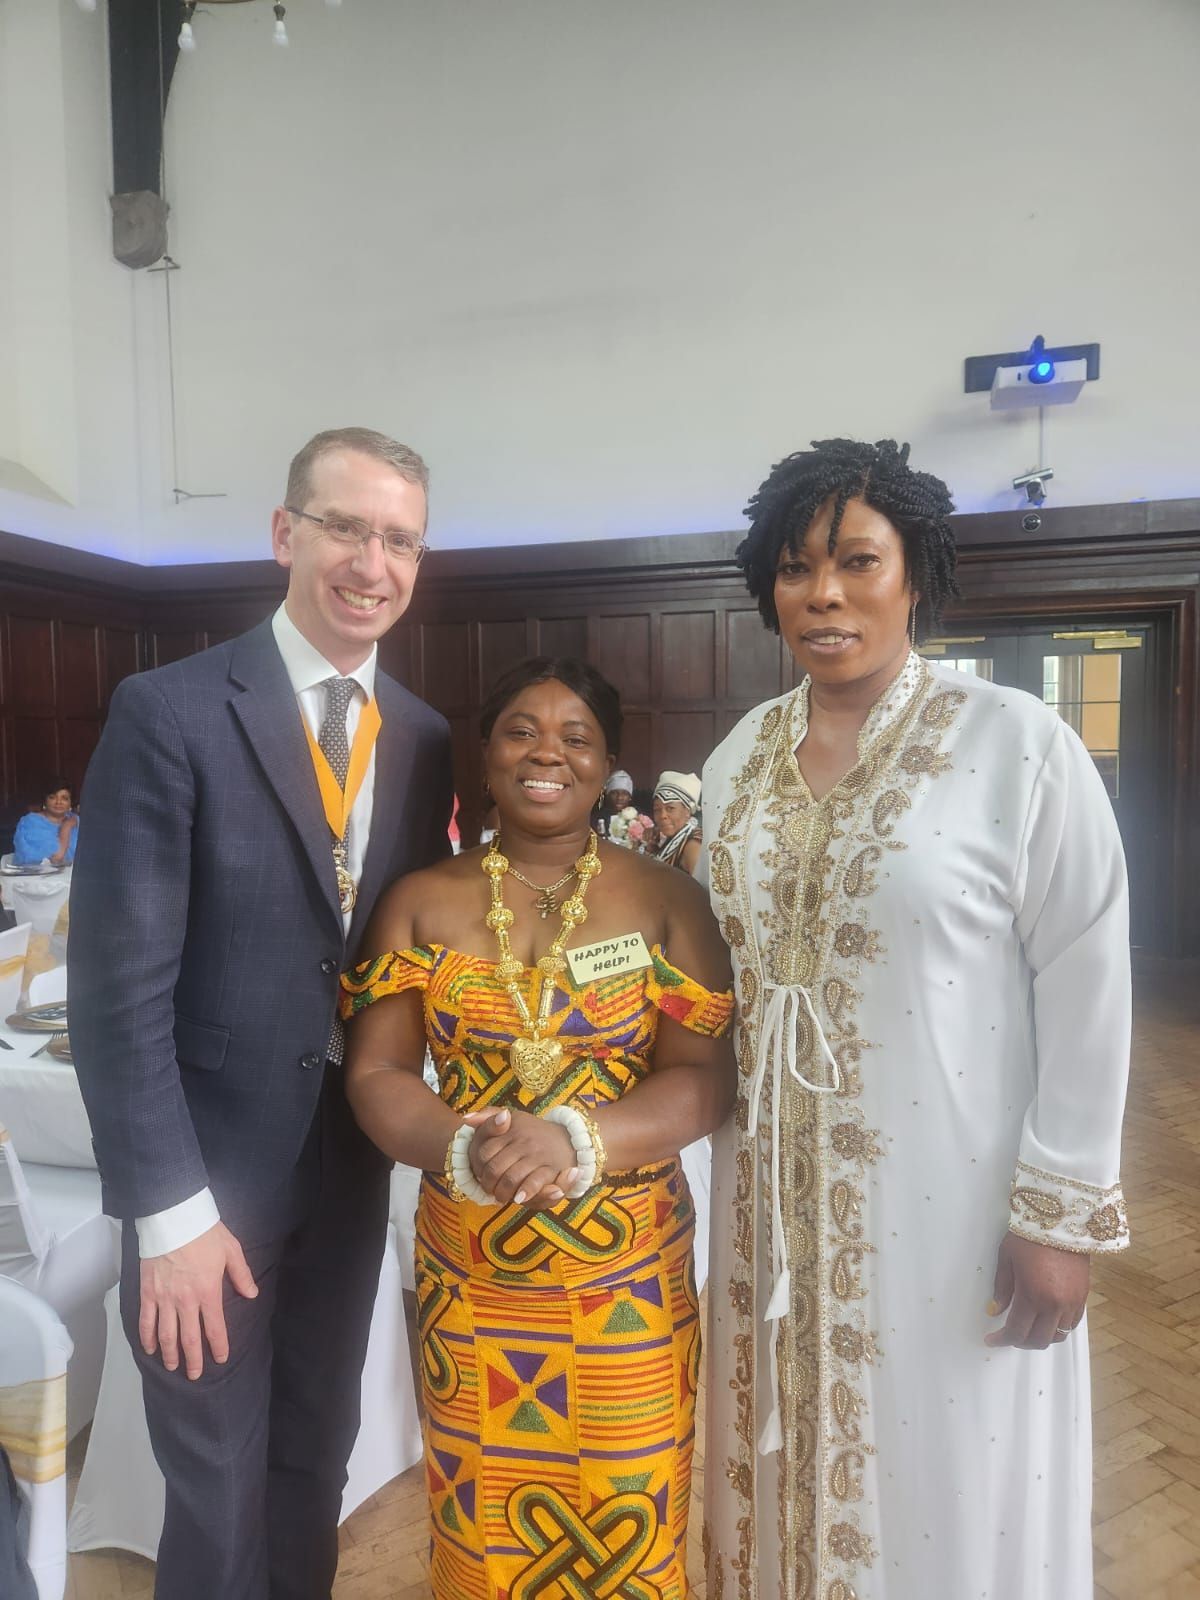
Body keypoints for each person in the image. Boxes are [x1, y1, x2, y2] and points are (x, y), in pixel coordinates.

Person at [700, 438, 1131, 1600]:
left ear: (915, 574)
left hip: (958, 1195)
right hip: (768, 1200)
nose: (824, 593)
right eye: (795, 568)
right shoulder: (739, 759)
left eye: (856, 560)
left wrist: (1060, 1215)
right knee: (770, 1450)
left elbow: (1088, 979)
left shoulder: (1016, 746)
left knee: (955, 1453)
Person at [68, 427, 453, 1600]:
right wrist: (167, 1217)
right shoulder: (170, 709)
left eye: (399, 539)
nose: (371, 561)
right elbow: (114, 992)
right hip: (206, 1195)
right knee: (218, 1488)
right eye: (346, 525)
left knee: (311, 1464)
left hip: (344, 1175)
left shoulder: (427, 739)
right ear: (285, 533)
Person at [339, 656, 736, 1600]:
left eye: (576, 737)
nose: (546, 753)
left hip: (623, 1277)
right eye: (520, 730)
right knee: (479, 1526)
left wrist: (576, 1141)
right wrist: (456, 1145)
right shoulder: (420, 899)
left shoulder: (666, 900)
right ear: (484, 757)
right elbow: (378, 1070)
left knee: (630, 1514)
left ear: (607, 768)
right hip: (471, 1278)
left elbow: (704, 1078)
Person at [12, 779, 77, 866]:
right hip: (34, 877)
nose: (58, 802)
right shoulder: (30, 823)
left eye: (64, 798)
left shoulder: (76, 821)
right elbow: (54, 859)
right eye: (52, 797)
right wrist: (66, 828)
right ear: (45, 800)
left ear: (70, 803)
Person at [650, 770, 702, 874]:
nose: (662, 816)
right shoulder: (668, 839)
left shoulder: (693, 846)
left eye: (670, 808)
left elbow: (703, 889)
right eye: (657, 809)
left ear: (687, 811)